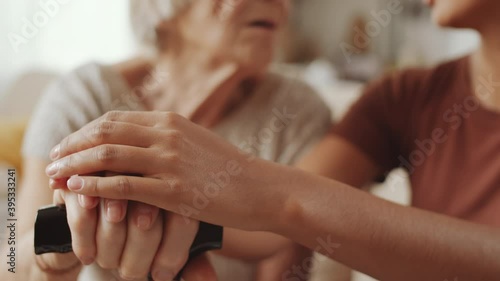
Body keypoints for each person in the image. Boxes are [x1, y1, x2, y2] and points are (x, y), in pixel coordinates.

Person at [42, 0, 500, 280]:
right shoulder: (404, 97)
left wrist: (265, 192)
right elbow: (263, 230)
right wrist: (128, 210)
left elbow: (284, 212)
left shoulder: (297, 111)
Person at [0, 0, 334, 281]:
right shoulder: (84, 95)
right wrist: (50, 260)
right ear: (160, 7)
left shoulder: (297, 113)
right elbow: (13, 259)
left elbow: (286, 252)